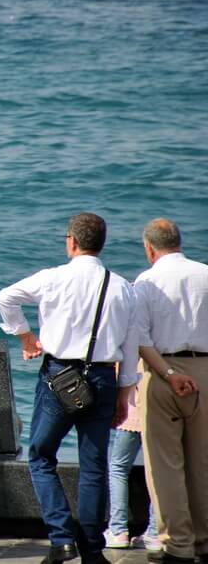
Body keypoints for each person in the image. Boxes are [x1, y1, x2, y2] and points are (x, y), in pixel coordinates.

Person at [0, 213, 140, 564]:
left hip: (60, 377)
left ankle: (62, 539)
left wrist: (27, 337)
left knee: (41, 456)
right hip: (104, 378)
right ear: (101, 244)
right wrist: (124, 392)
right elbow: (131, 345)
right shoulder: (121, 286)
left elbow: (6, 298)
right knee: (94, 466)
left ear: (72, 242)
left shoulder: (53, 278)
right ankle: (92, 550)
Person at [131, 218, 206, 564]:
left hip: (163, 374)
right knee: (202, 462)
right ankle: (204, 540)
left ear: (149, 248)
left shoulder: (146, 281)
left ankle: (177, 543)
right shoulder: (205, 274)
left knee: (165, 465)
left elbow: (141, 339)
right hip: (205, 371)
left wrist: (170, 373)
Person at [103, 364, 160, 552]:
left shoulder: (135, 335)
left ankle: (118, 530)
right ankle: (155, 532)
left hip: (132, 402)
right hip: (159, 402)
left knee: (118, 467)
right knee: (158, 471)